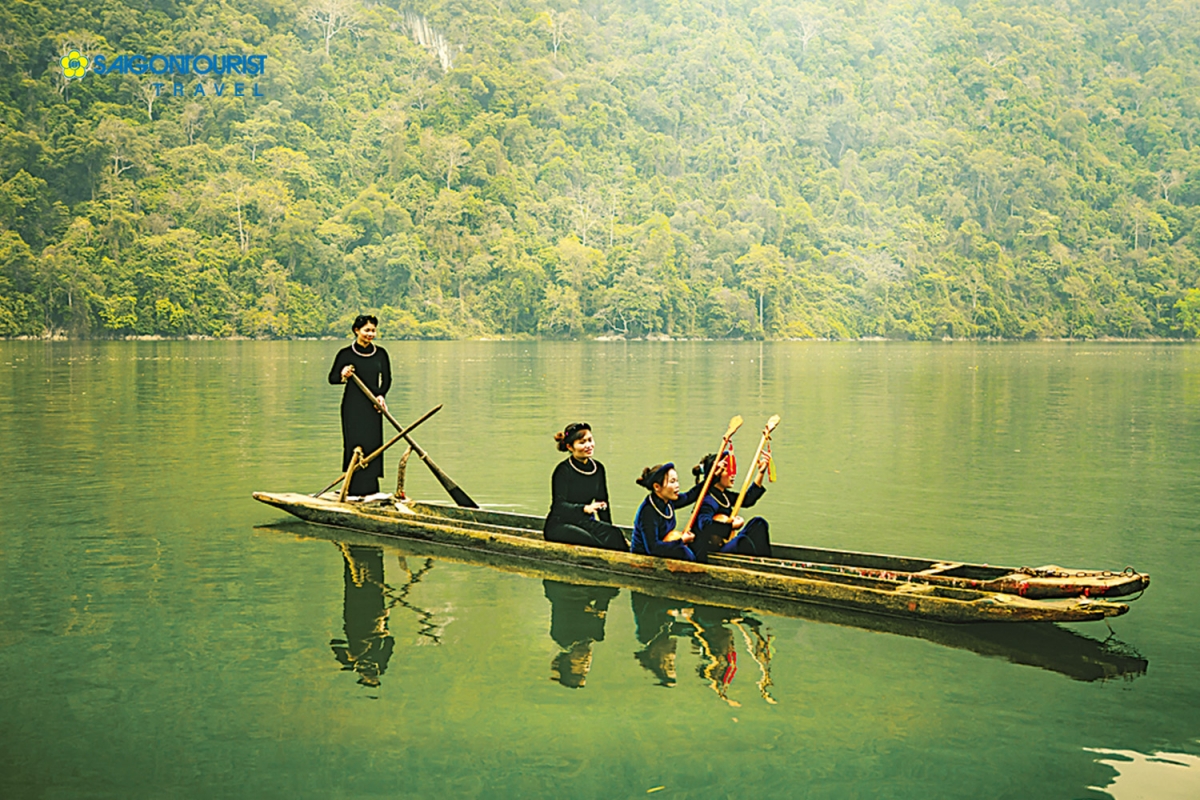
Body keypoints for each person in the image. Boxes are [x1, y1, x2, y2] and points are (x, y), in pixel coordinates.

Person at [328, 315, 392, 497]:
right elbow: (332, 379)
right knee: (353, 444)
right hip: (352, 406)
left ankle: (371, 490)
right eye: (367, 330)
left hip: (373, 406)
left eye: (373, 330)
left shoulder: (381, 353)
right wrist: (343, 374)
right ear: (356, 331)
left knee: (373, 444)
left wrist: (381, 396)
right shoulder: (345, 354)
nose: (370, 334)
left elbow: (387, 379)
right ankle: (352, 487)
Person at [543, 423, 628, 551]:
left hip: (583, 522)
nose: (588, 445)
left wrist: (608, 527)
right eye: (582, 442)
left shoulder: (598, 468)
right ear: (570, 447)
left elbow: (603, 503)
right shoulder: (563, 470)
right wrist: (584, 508)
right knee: (591, 542)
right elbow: (558, 506)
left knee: (614, 534)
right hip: (560, 524)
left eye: (590, 440)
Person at [690, 451, 772, 561]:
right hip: (712, 553)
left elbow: (747, 500)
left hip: (724, 546)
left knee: (759, 523)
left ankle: (766, 562)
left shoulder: (724, 495)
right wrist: (731, 526)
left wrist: (760, 473)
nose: (732, 474)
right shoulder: (708, 500)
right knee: (742, 541)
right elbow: (705, 525)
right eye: (727, 470)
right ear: (717, 473)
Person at [630, 463, 704, 560]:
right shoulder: (648, 511)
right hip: (645, 559)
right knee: (683, 551)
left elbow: (690, 496)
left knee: (698, 543)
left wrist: (713, 476)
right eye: (672, 482)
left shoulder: (668, 501)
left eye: (677, 481)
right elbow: (653, 548)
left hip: (664, 549)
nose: (677, 485)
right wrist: (681, 541)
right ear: (657, 487)